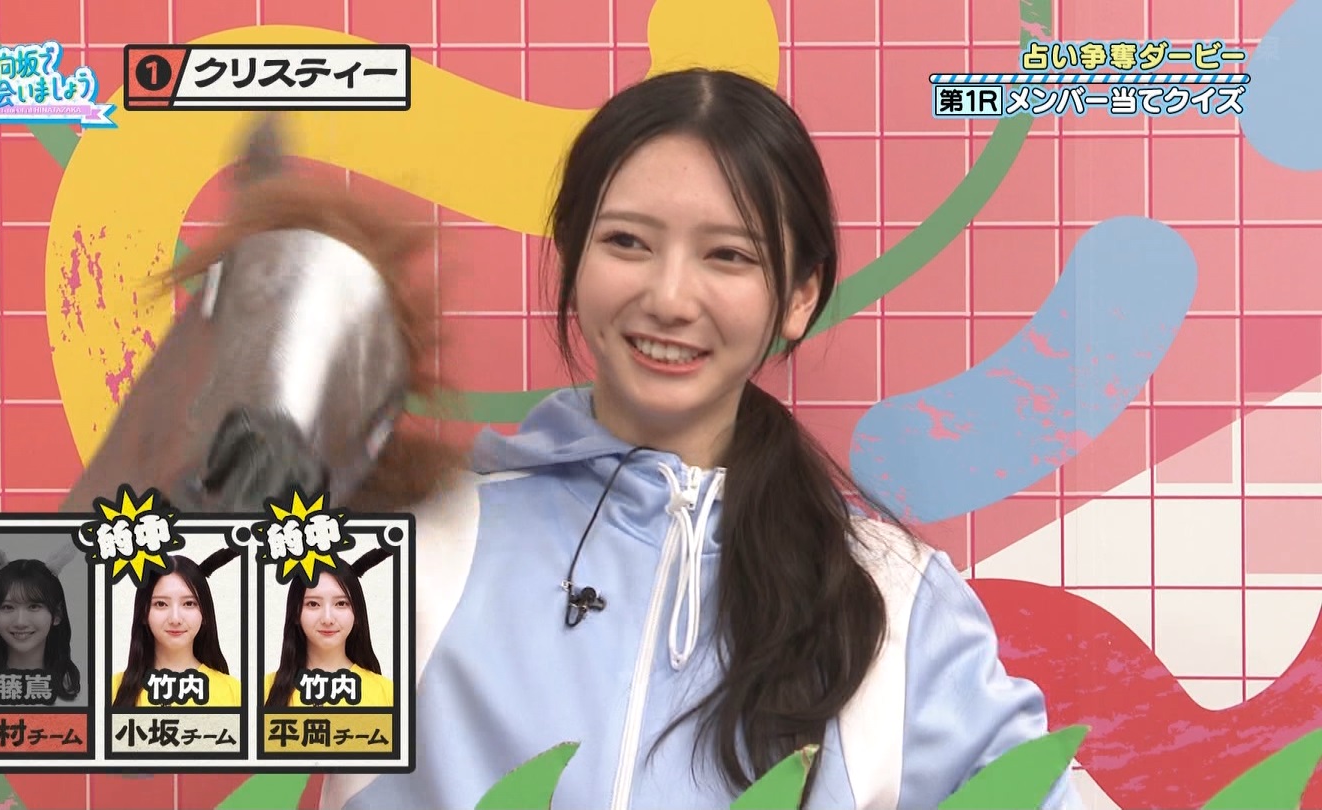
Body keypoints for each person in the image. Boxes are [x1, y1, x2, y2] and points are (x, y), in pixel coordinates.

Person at [224, 67, 1085, 809]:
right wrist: (228, 503)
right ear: (574, 259)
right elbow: (166, 692)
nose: (670, 298)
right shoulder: (414, 542)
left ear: (798, 295)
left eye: (728, 255)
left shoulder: (895, 602)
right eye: (627, 242)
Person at [264, 548, 395, 708]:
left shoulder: (387, 693)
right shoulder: (263, 690)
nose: (327, 619)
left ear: (357, 613)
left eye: (341, 603)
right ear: (296, 613)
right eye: (313, 604)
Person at [111, 550, 242, 708]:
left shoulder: (233, 692)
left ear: (204, 613)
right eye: (161, 604)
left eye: (189, 603)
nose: (175, 619)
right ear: (144, 613)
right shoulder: (112, 689)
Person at [0, 539, 82, 705]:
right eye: (8, 607)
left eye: (34, 606)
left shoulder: (80, 697)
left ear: (57, 615)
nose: (20, 622)